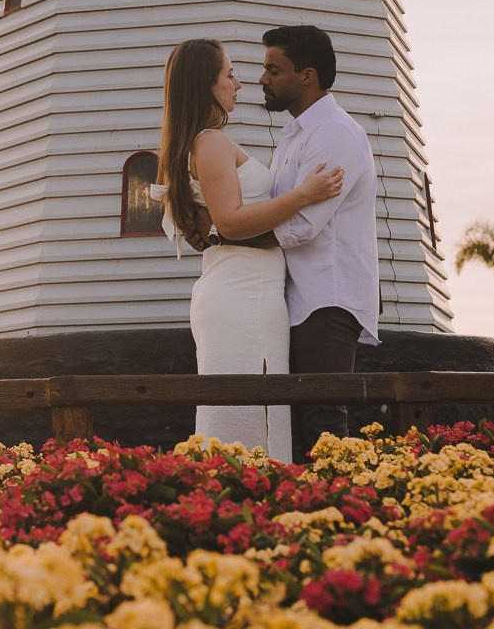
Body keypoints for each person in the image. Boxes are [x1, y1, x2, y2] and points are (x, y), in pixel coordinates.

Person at [154, 38, 343, 460]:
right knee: (250, 422)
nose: (239, 83)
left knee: (248, 419)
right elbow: (232, 221)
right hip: (245, 295)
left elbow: (215, 225)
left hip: (241, 288)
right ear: (207, 83)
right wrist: (304, 194)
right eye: (229, 74)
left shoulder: (199, 143)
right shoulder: (212, 142)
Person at [260, 24, 379, 459]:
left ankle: (341, 520)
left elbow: (301, 226)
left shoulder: (335, 133)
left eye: (274, 69)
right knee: (300, 419)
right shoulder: (296, 135)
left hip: (328, 298)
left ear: (307, 76)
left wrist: (232, 233)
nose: (262, 79)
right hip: (298, 298)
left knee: (325, 422)